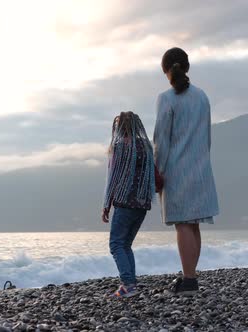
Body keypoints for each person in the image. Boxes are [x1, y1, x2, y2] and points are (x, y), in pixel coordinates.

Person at [153, 47, 219, 295]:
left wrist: (157, 171)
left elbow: (162, 139)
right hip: (201, 167)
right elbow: (207, 136)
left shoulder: (166, 98)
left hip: (177, 169)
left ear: (165, 70)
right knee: (194, 225)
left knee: (182, 224)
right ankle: (189, 277)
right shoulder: (202, 96)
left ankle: (189, 281)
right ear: (187, 67)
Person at [102, 111, 155, 298]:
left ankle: (128, 284)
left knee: (116, 244)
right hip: (142, 203)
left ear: (119, 127)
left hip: (124, 202)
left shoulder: (119, 147)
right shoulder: (146, 146)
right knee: (126, 244)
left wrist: (106, 204)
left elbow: (113, 177)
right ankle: (131, 283)